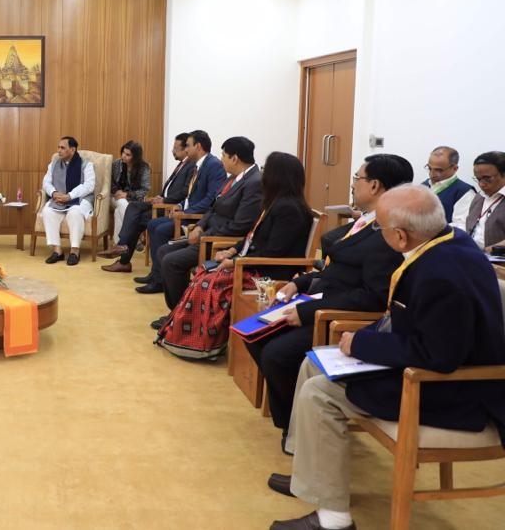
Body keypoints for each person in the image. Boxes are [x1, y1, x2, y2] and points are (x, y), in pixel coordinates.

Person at [267, 185, 505, 530]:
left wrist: (361, 346)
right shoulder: (444, 243)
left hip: (452, 390)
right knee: (313, 361)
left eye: (379, 228)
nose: (377, 234)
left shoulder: (443, 274)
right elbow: (407, 321)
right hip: (425, 367)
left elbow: (438, 357)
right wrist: (362, 340)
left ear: (400, 236)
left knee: (320, 394)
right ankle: (311, 477)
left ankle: (333, 520)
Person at [247, 154, 412, 445]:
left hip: (340, 317)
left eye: (357, 178)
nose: (352, 184)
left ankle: (299, 432)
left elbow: (372, 298)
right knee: (254, 333)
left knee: (277, 353)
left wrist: (310, 311)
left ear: (374, 186)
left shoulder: (388, 233)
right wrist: (298, 283)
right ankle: (295, 420)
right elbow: (334, 269)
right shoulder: (365, 223)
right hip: (324, 299)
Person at [140, 136, 263, 309]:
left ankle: (180, 312)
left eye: (224, 155)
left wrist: (204, 235)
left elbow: (241, 226)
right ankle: (178, 311)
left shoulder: (254, 183)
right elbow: (213, 207)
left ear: (234, 158)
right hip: (207, 233)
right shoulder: (233, 178)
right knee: (163, 251)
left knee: (171, 261)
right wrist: (199, 226)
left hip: (218, 243)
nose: (221, 159)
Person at [191, 152, 313, 304]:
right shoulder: (274, 203)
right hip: (254, 264)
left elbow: (273, 253)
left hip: (270, 274)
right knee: (203, 273)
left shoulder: (289, 210)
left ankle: (204, 326)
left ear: (276, 177)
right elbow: (252, 236)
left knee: (208, 281)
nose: (262, 175)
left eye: (265, 170)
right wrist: (231, 251)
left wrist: (236, 262)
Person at [134, 130, 227, 284]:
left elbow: (211, 200)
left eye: (188, 146)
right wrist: (179, 205)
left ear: (198, 146)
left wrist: (186, 212)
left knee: (160, 229)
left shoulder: (213, 165)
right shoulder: (198, 165)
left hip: (195, 218)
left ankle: (160, 280)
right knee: (152, 224)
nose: (186, 150)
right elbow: (191, 196)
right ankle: (157, 274)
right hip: (186, 213)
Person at [99, 132, 194, 271]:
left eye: (175, 148)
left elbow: (185, 192)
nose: (172, 151)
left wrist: (164, 199)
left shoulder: (190, 166)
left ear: (185, 149)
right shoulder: (181, 165)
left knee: (135, 218)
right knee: (133, 208)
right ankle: (122, 247)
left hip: (169, 205)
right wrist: (158, 197)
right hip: (159, 201)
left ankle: (123, 256)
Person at [40, 136, 96, 266]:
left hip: (80, 199)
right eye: (58, 147)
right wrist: (54, 193)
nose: (59, 150)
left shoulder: (86, 164)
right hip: (58, 199)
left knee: (75, 213)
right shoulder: (53, 163)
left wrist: (70, 196)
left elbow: (89, 186)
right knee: (47, 211)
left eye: (62, 148)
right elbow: (46, 182)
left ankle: (74, 251)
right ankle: (57, 251)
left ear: (72, 149)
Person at [108, 140, 151, 244]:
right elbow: (110, 182)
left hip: (134, 200)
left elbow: (145, 189)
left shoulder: (143, 167)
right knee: (122, 203)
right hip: (115, 197)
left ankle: (119, 243)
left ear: (135, 157)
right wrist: (117, 191)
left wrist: (127, 194)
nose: (124, 156)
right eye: (123, 152)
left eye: (128, 155)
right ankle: (134, 237)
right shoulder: (116, 164)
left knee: (119, 211)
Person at [420, 145, 475, 224]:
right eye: (429, 168)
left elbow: (461, 225)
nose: (432, 174)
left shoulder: (464, 192)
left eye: (438, 170)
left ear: (455, 168)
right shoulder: (423, 186)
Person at [465, 151, 505, 251]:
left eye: (487, 178)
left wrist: (489, 251)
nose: (481, 184)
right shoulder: (479, 196)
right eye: (478, 179)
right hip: (472, 256)